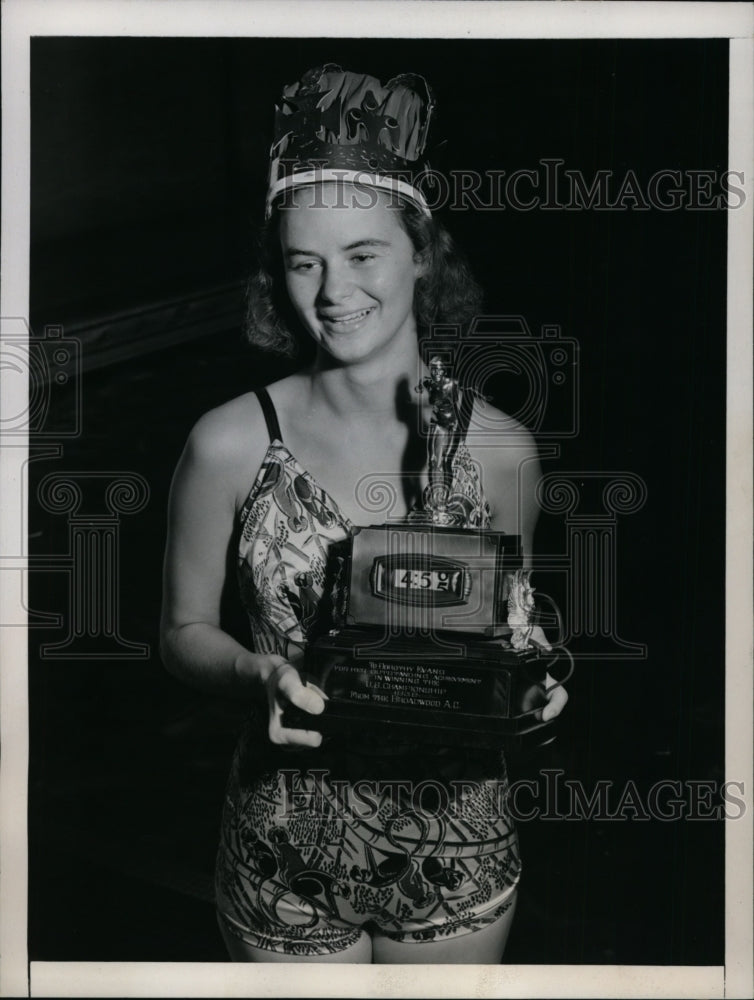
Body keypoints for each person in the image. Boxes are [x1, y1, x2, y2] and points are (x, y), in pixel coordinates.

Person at [160, 63, 568, 964]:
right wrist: (258, 674)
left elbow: (512, 629)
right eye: (304, 261)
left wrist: (533, 685)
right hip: (282, 846)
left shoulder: (502, 450)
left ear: (423, 253)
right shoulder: (229, 442)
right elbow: (182, 632)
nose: (333, 292)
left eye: (362, 254)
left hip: (459, 845)